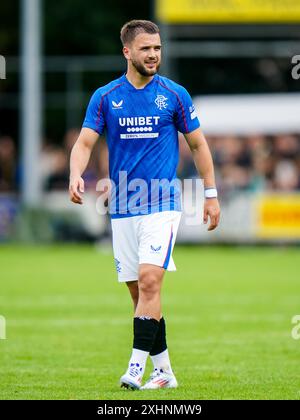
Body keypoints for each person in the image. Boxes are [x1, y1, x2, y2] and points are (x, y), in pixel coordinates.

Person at [69, 19, 220, 390]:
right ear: (127, 52)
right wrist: (76, 173)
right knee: (141, 296)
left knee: (152, 282)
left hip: (163, 204)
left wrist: (211, 195)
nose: (154, 55)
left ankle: (134, 369)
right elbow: (85, 142)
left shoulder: (174, 94)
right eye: (146, 49)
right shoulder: (106, 97)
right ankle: (165, 372)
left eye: (158, 48)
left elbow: (199, 144)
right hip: (121, 207)